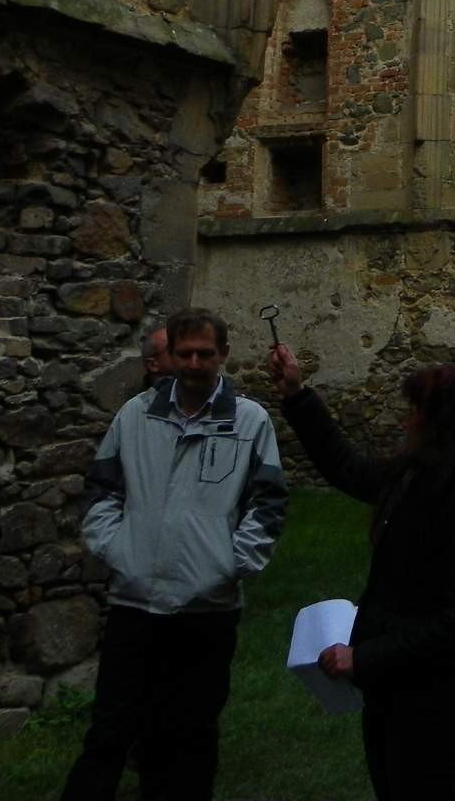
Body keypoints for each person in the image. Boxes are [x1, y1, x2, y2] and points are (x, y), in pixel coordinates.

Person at [267, 345, 455, 801]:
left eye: (414, 412)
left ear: (439, 424)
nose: (405, 422)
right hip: (391, 688)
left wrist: (364, 658)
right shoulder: (422, 475)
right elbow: (349, 469)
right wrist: (298, 397)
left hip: (428, 696)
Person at [61, 309, 286, 801]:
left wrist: (230, 566)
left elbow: (267, 505)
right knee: (110, 731)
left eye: (205, 353)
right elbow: (102, 489)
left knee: (191, 736)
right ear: (169, 357)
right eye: (184, 352)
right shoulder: (136, 415)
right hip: (134, 604)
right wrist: (118, 550)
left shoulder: (249, 421)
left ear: (223, 355)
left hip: (206, 612)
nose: (194, 362)